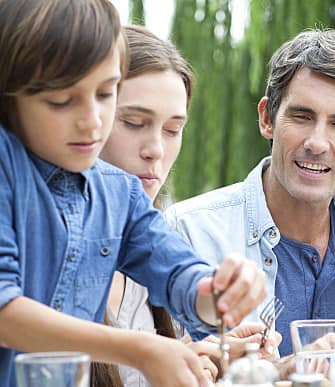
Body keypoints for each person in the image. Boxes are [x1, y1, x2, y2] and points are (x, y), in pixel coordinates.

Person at [0, 2, 266, 386]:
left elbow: (178, 273)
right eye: (61, 100)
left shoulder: (118, 193)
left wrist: (218, 291)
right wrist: (138, 349)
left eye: (106, 94)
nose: (92, 120)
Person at [166, 28, 335, 374]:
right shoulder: (189, 232)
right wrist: (287, 369)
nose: (317, 142)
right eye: (302, 116)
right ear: (267, 119)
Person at [93, 25, 281, 387]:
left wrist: (207, 348)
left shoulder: (152, 235)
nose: (156, 150)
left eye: (172, 129)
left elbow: (190, 285)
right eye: (134, 123)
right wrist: (150, 354)